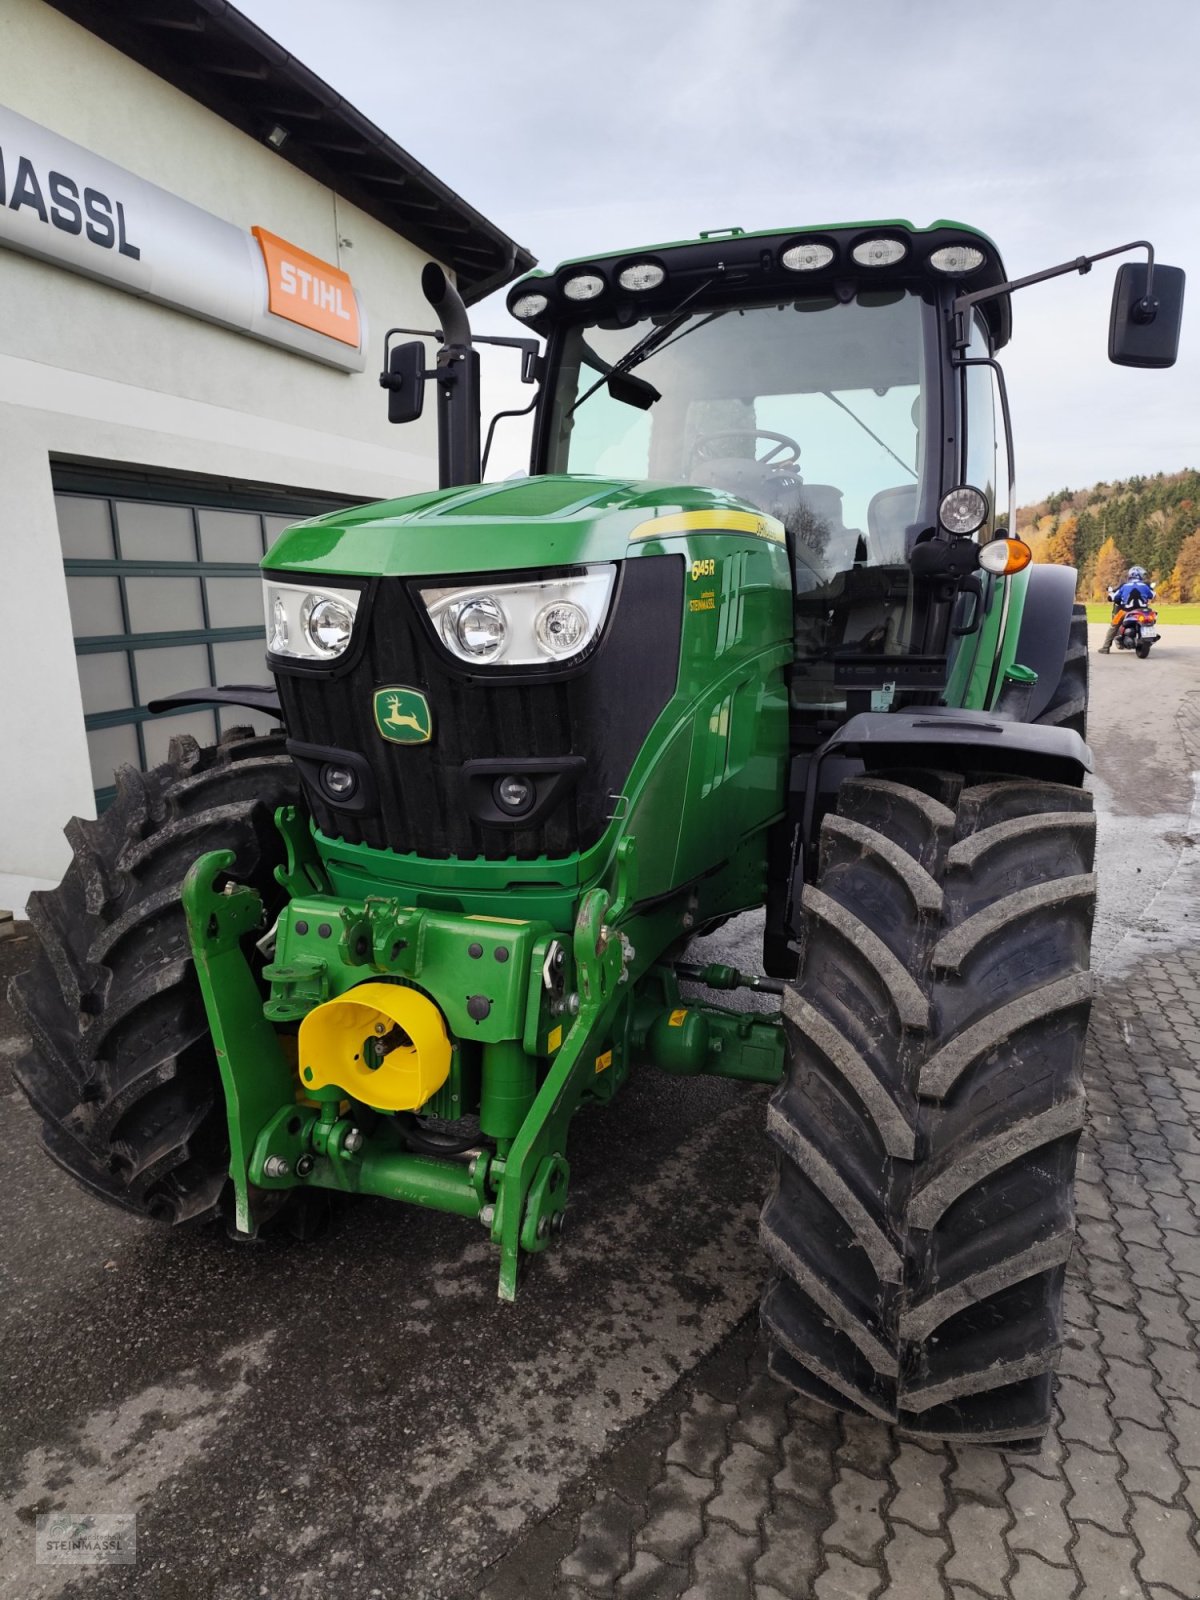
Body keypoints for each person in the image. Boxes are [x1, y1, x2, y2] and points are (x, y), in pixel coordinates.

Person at [1099, 567, 1156, 653]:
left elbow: (1114, 597)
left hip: (1127, 611)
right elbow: (1153, 596)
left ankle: (1105, 647)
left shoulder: (1125, 586)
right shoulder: (1145, 586)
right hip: (1143, 611)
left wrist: (1110, 595)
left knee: (1114, 625)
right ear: (1140, 576)